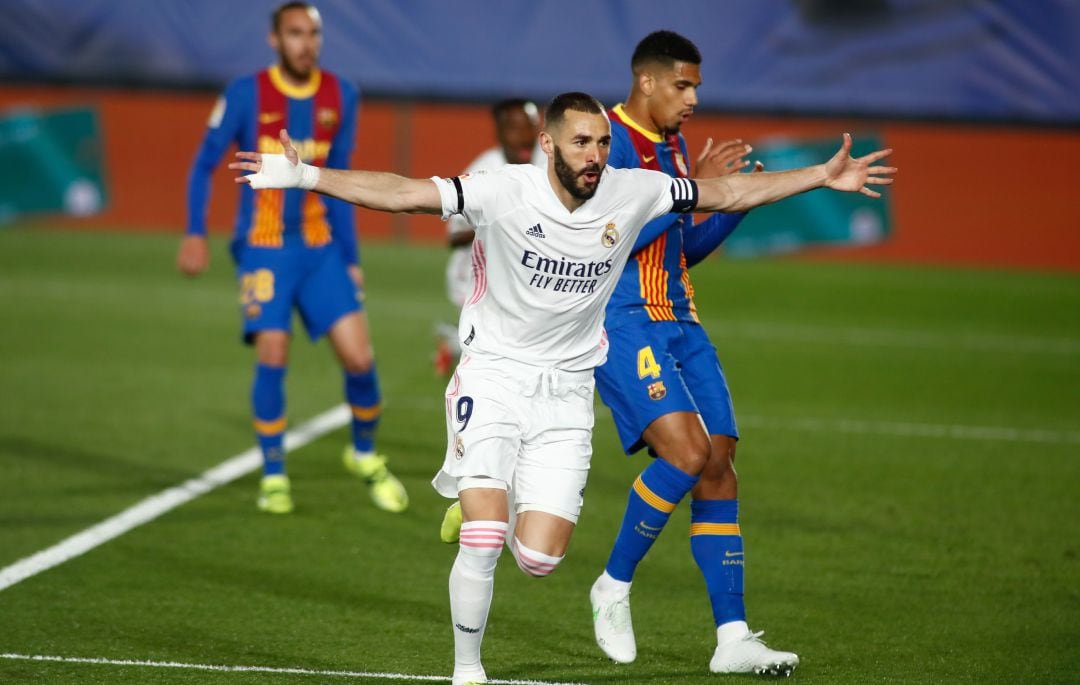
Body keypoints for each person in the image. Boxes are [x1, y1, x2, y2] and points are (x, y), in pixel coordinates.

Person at [228, 92, 895, 684]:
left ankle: (484, 493)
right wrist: (306, 175)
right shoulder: (503, 189)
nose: (594, 154)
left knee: (540, 559)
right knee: (486, 538)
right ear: (548, 143)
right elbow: (402, 191)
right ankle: (468, 669)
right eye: (580, 141)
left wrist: (819, 176)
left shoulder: (633, 191)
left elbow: (727, 194)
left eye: (603, 142)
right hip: (493, 375)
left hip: (567, 393)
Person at [586, 30, 804, 676]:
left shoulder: (674, 144)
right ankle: (613, 584)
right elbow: (598, 243)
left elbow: (683, 246)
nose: (692, 99)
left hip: (681, 315)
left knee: (719, 463)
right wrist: (692, 188)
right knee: (686, 453)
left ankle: (732, 636)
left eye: (697, 88)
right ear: (647, 81)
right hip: (624, 320)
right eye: (682, 85)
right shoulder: (607, 140)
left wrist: (725, 202)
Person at [175, 1, 408, 515]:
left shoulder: (341, 94)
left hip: (321, 247)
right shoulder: (245, 93)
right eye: (296, 33)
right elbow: (203, 164)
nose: (307, 43)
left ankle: (363, 452)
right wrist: (194, 232)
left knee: (361, 358)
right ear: (274, 39)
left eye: (314, 34)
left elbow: (341, 179)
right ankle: (275, 472)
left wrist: (350, 258)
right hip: (263, 247)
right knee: (273, 354)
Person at [435, 98, 545, 375]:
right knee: (499, 348)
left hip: (522, 269)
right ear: (499, 132)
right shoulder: (483, 170)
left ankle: (455, 342)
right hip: (476, 274)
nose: (524, 135)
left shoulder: (548, 164)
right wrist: (501, 222)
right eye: (514, 128)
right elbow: (454, 236)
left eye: (530, 126)